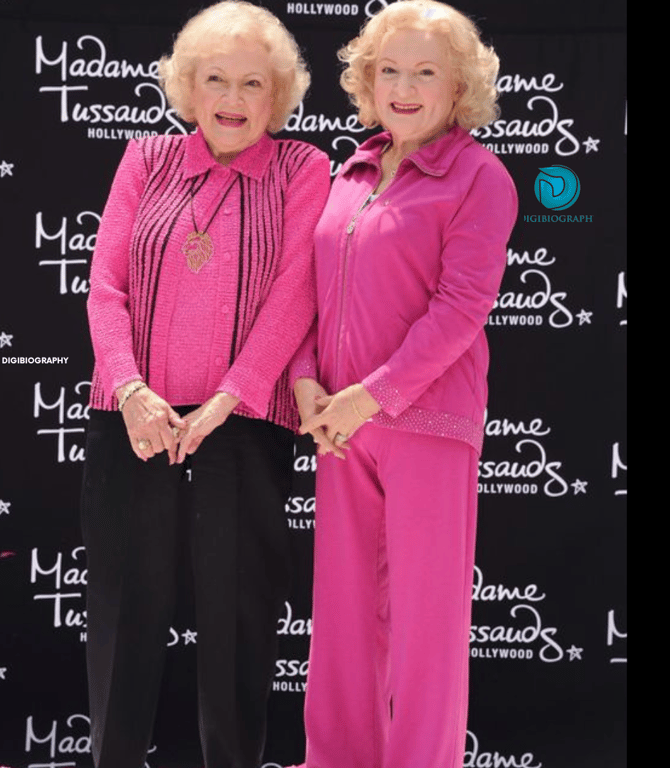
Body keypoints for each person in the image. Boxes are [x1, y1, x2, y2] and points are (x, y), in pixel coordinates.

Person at [79, 3, 330, 767]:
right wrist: (128, 388)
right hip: (134, 417)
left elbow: (297, 293)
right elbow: (105, 286)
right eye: (215, 78)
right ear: (188, 88)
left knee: (238, 620)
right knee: (125, 612)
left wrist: (228, 397)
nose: (232, 97)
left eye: (252, 82)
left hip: (245, 423)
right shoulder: (146, 157)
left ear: (277, 95)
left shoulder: (302, 168)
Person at [290, 2, 518, 766]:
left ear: (460, 88)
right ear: (366, 79)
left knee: (428, 630)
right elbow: (310, 297)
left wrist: (367, 397)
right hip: (338, 429)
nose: (406, 86)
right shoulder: (347, 171)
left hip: (427, 425)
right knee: (344, 623)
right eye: (390, 69)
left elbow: (460, 312)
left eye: (426, 71)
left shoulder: (480, 178)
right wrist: (305, 384)